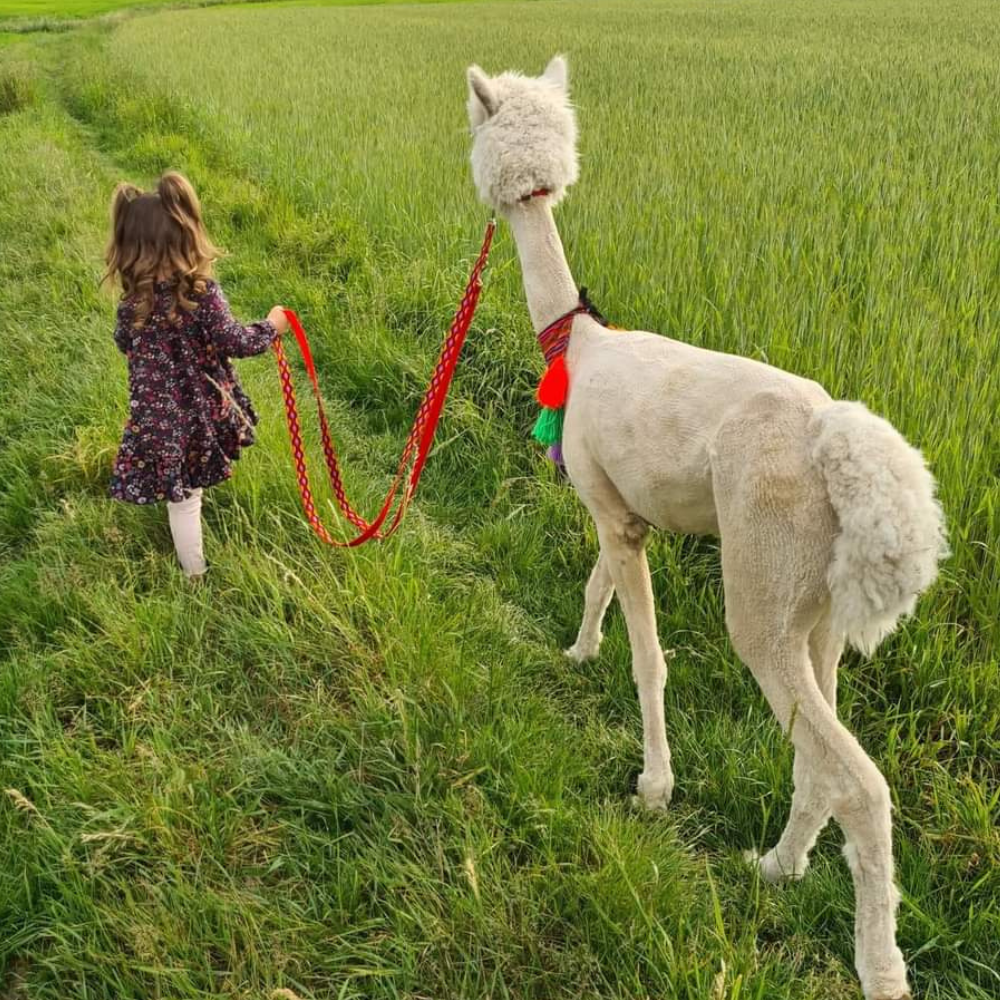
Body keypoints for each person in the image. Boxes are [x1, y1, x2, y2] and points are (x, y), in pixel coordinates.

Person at [104, 171, 289, 578]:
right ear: (185, 233)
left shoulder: (131, 304)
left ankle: (193, 571)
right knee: (188, 496)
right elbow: (236, 341)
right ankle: (195, 575)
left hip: (157, 418)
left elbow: (123, 343)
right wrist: (273, 326)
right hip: (198, 411)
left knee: (181, 496)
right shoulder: (201, 295)